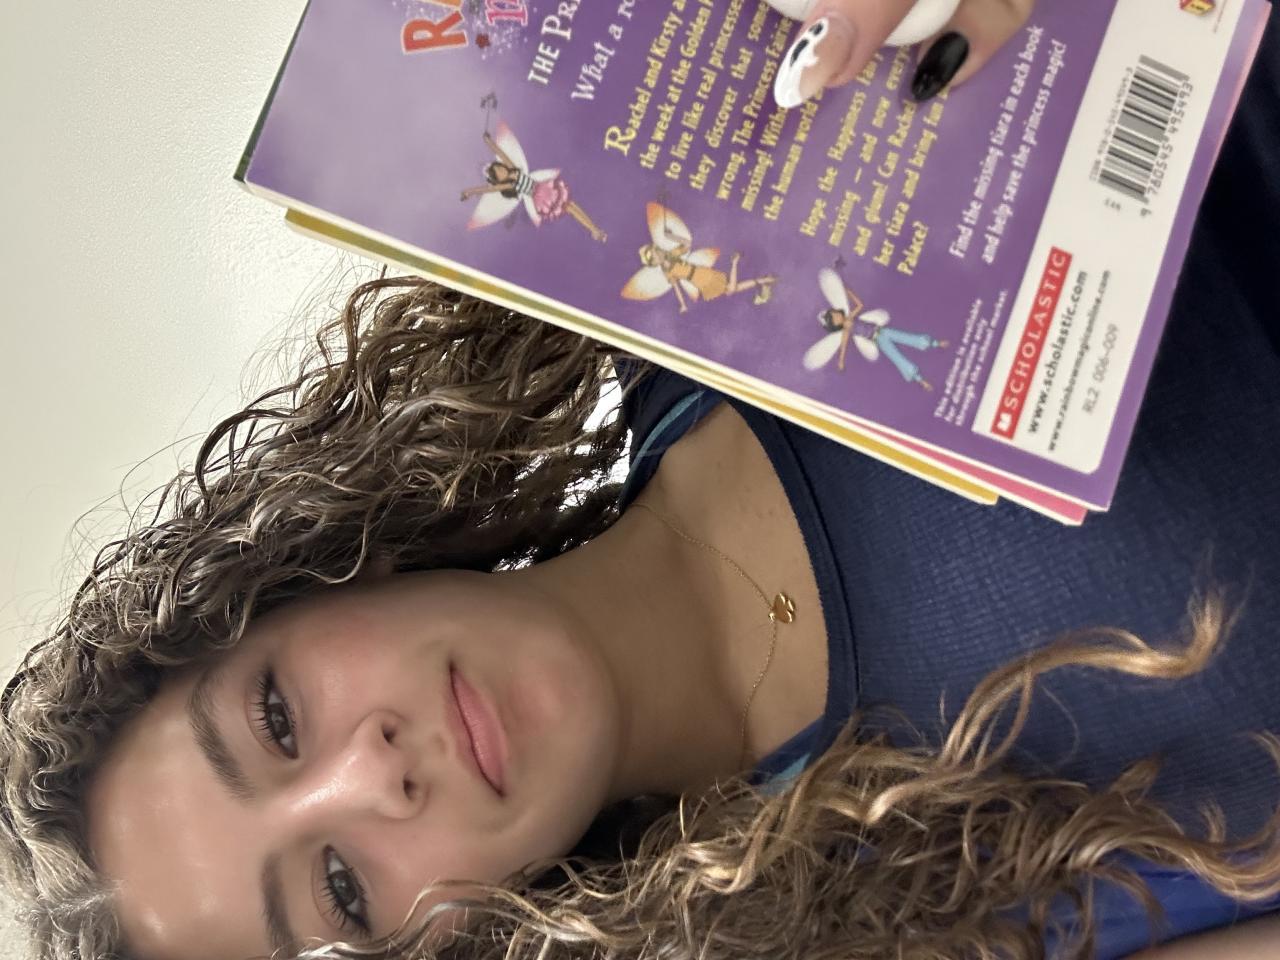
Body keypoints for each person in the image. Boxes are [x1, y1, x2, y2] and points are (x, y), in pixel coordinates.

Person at [3, 2, 1280, 959]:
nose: (370, 776)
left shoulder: (672, 236)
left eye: (277, 719)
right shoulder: (932, 918)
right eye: (339, 886)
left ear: (296, 583)